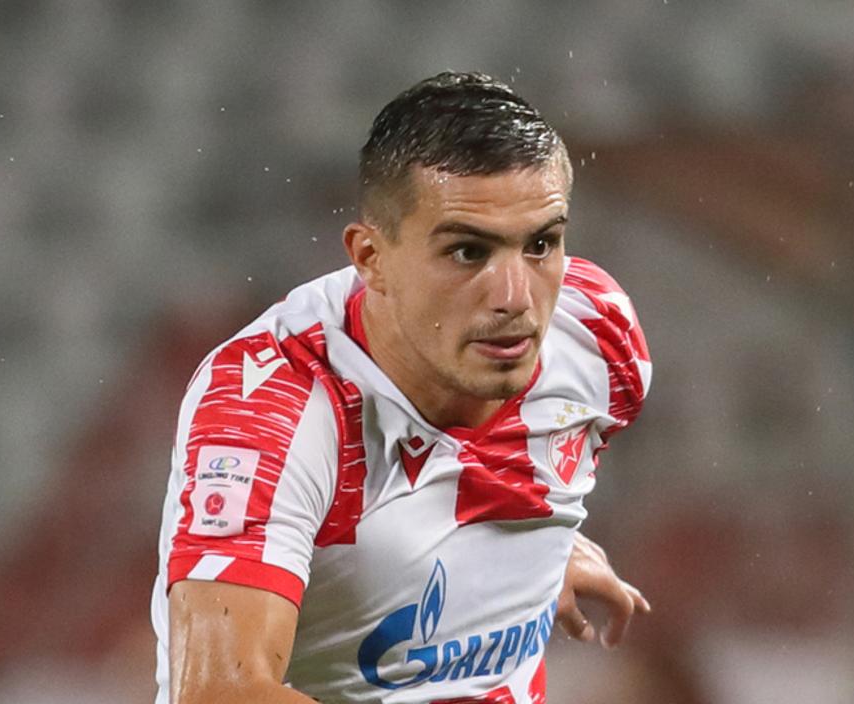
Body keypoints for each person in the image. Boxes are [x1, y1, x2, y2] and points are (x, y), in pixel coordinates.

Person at [151, 71, 653, 703]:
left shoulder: (597, 337)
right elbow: (221, 695)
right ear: (370, 258)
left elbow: (470, 485)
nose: (515, 298)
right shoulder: (274, 404)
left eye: (541, 244)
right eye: (468, 252)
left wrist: (531, 558)